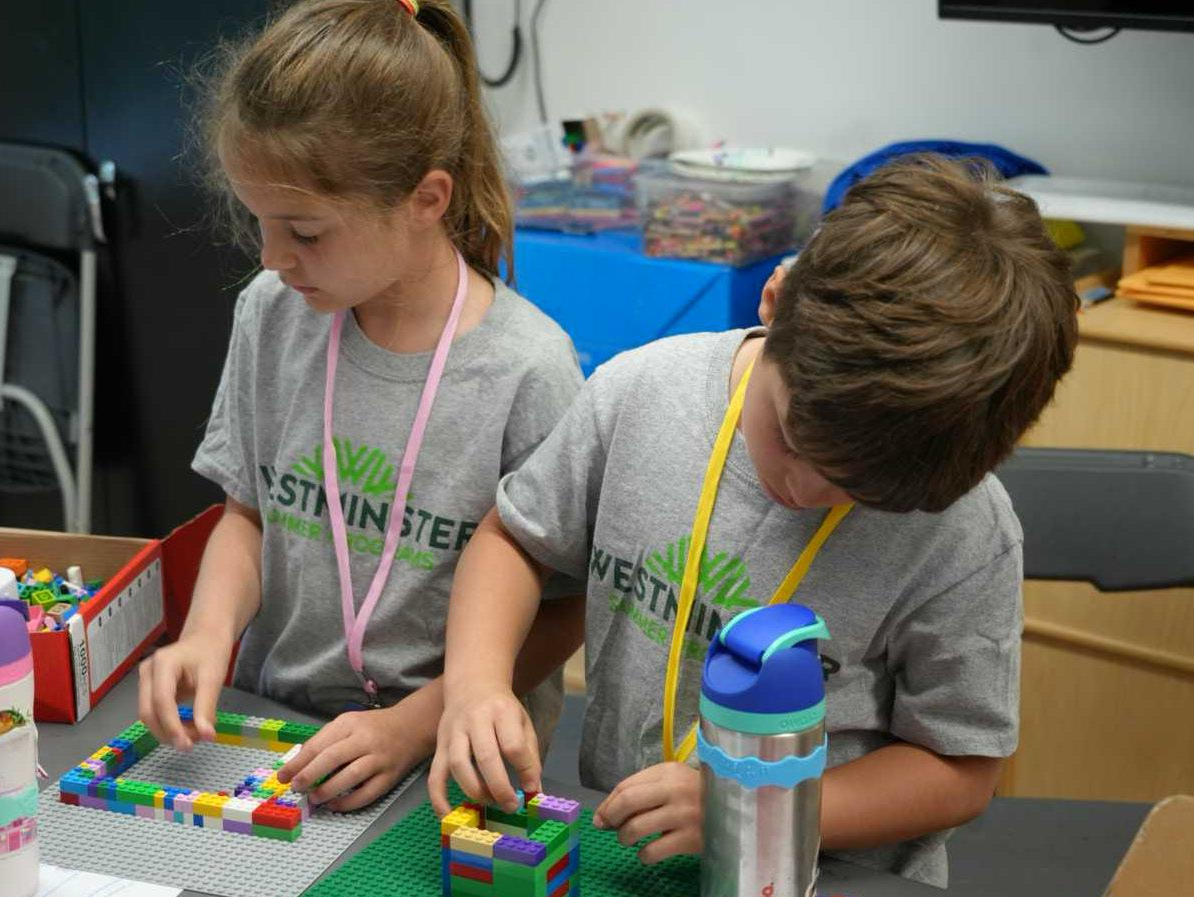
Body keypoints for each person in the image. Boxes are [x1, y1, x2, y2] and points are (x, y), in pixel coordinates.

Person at [429, 155, 1079, 886]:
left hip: (828, 872)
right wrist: (477, 684)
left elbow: (959, 769)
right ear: (776, 298)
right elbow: (513, 538)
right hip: (631, 859)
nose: (804, 490)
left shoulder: (965, 533)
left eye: (857, 492)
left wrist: (754, 810)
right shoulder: (641, 393)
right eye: (792, 440)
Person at [138, 0, 585, 814]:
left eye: (306, 232)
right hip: (278, 730)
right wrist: (205, 633)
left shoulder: (529, 368)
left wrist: (414, 725)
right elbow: (248, 513)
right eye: (260, 223)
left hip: (450, 760)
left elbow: (563, 611)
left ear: (426, 199)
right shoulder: (272, 313)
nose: (273, 257)